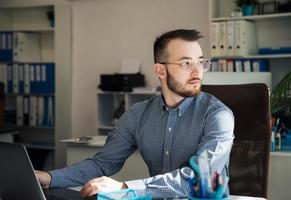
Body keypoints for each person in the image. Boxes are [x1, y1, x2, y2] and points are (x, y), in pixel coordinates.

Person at [37, 29, 234, 199]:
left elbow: (199, 178)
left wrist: (125, 188)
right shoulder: (137, 115)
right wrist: (50, 178)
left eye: (201, 62)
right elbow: (103, 163)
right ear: (160, 70)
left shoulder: (218, 115)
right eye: (186, 63)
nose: (197, 71)